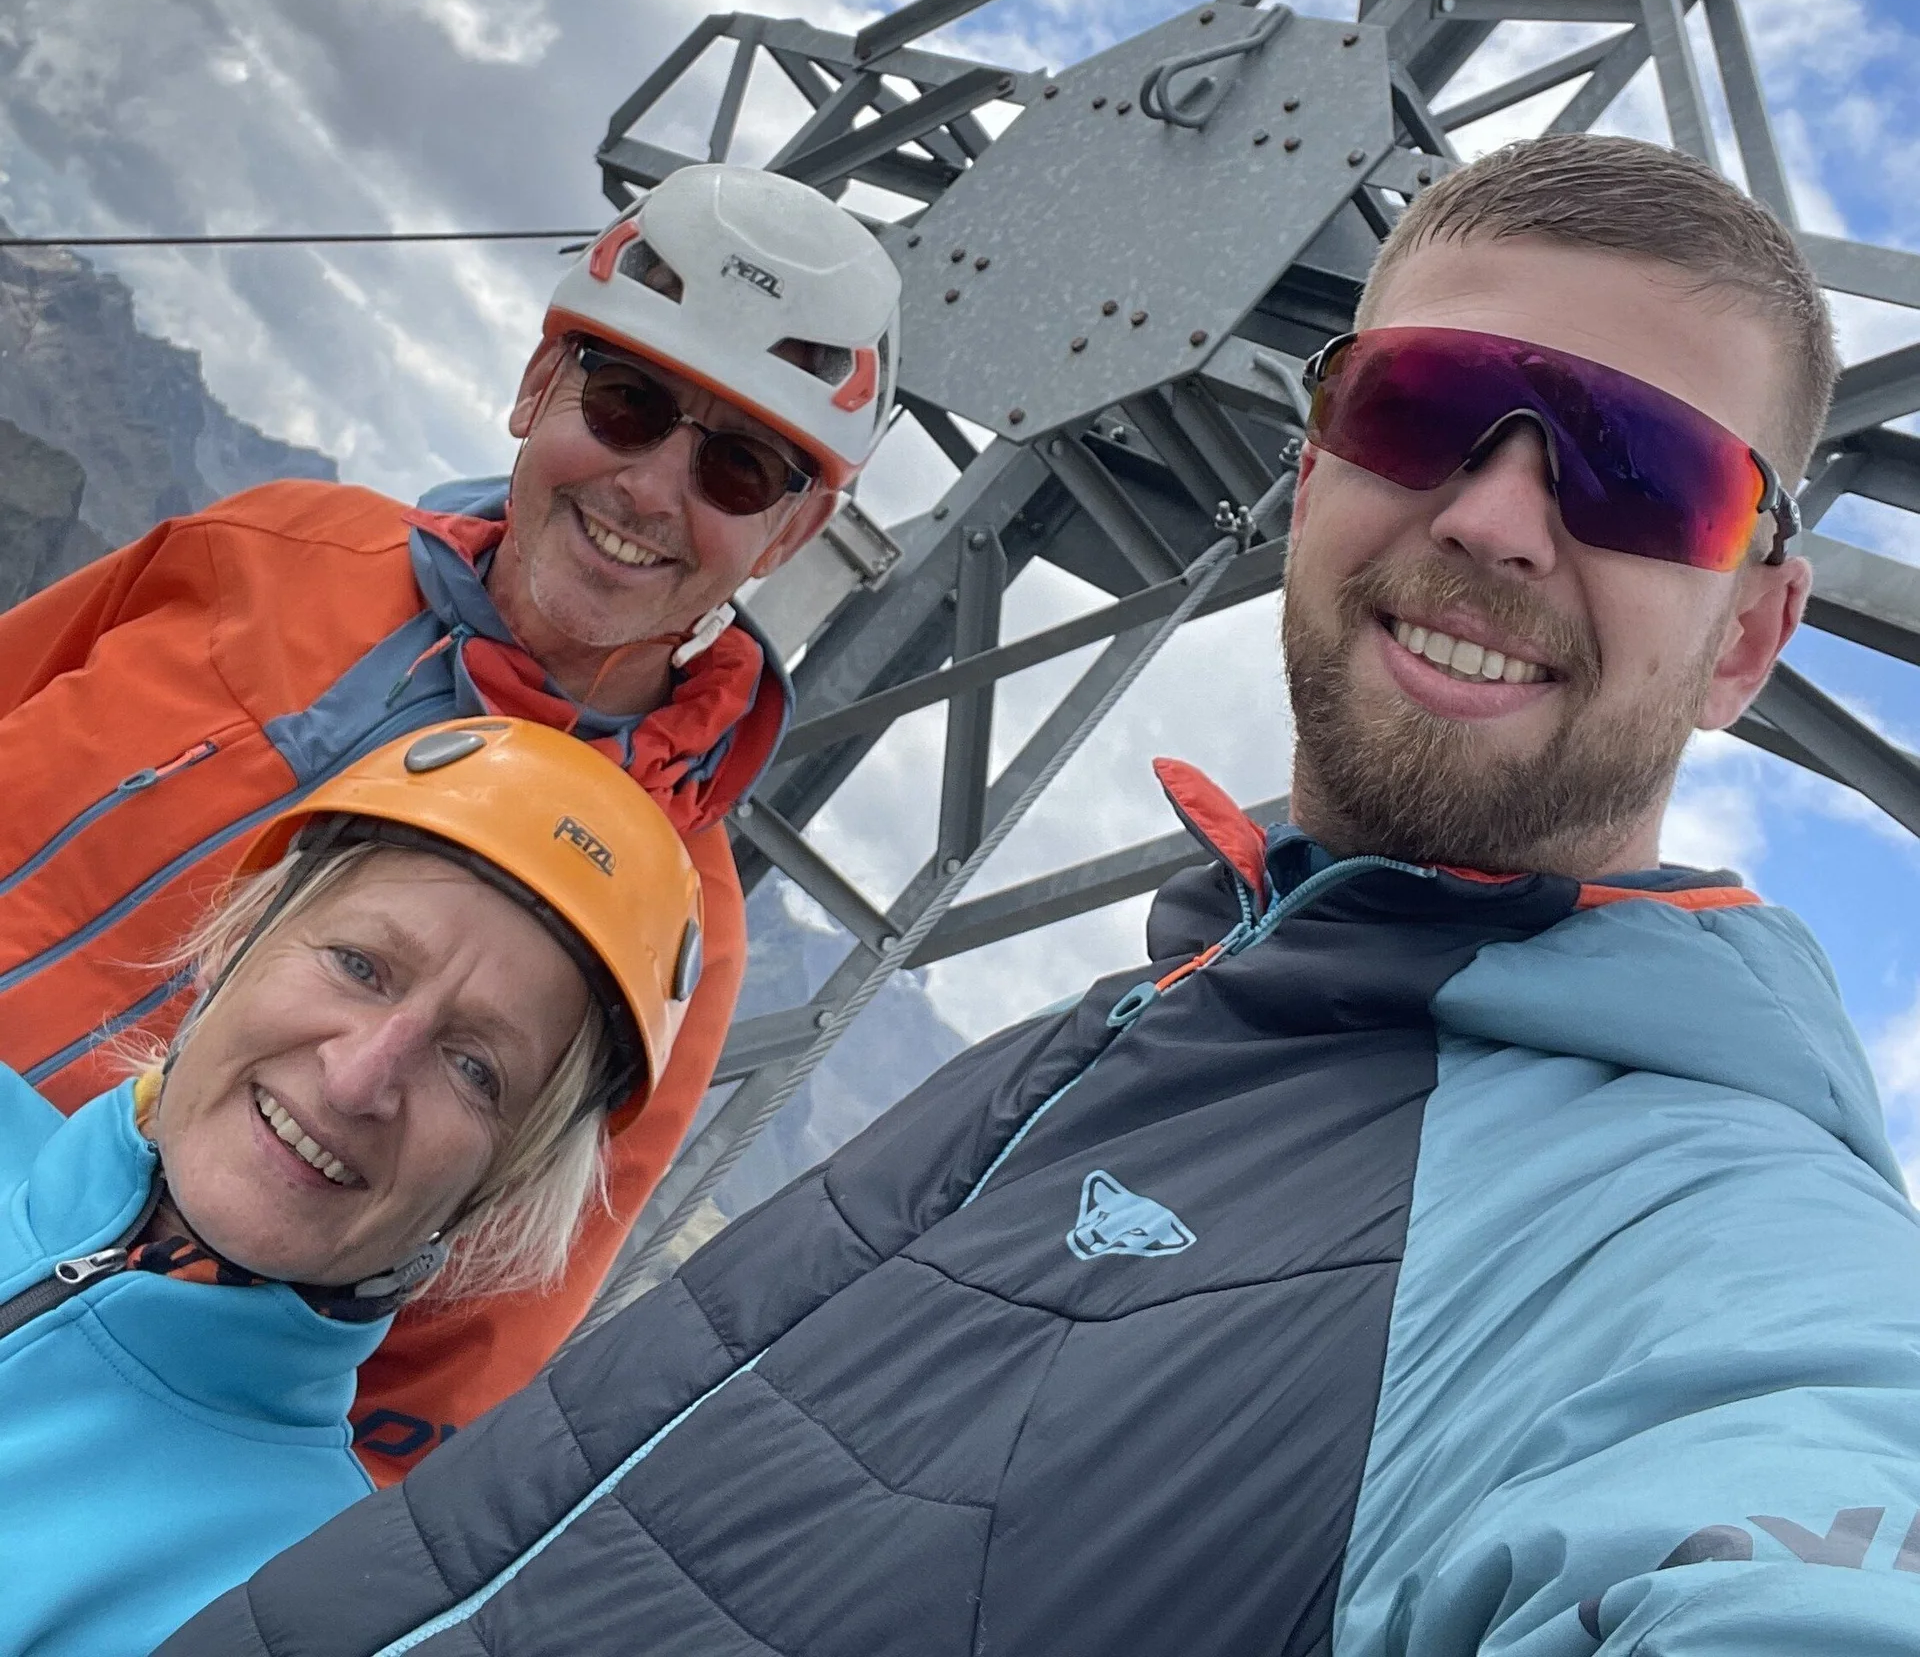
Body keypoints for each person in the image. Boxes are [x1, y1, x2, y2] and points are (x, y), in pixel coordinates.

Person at [167, 133, 1920, 1657]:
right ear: (1312, 475)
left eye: (1646, 474)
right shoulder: (1113, 1041)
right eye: (1427, 408)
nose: (1495, 520)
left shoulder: (1684, 1240)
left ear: (1751, 638)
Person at [0, 160, 899, 1477]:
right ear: (541, 387)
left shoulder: (670, 923)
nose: (652, 488)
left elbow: (468, 1334)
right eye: (628, 400)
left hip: (64, 1384)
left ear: (789, 532)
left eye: (741, 465)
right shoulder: (277, 548)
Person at [0, 713, 703, 1657]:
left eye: (474, 1068)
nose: (357, 1079)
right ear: (235, 944)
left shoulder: (288, 1600)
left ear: (503, 1185)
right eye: (361, 966)